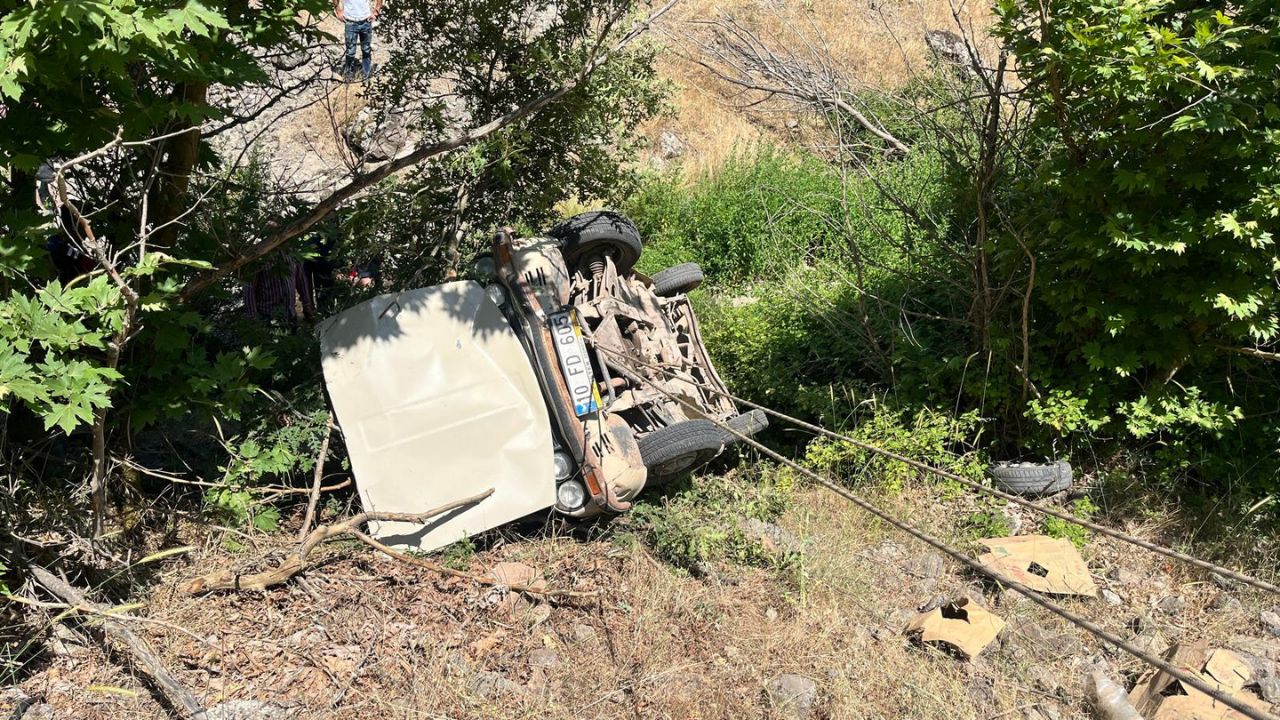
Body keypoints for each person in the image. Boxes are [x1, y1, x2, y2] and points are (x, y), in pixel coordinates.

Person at [334, 0, 382, 81]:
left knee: (366, 49)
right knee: (350, 51)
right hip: (350, 22)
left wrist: (376, 10)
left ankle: (366, 75)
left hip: (366, 21)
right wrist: (338, 11)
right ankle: (348, 76)